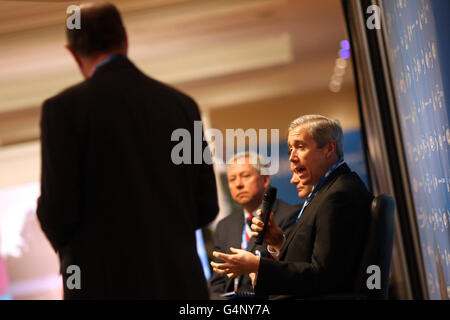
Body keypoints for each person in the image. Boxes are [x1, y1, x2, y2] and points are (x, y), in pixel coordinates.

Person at [37, 3, 218, 299]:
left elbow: (58, 211)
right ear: (125, 38)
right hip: (180, 284)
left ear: (72, 53)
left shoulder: (63, 111)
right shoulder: (181, 106)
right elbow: (206, 205)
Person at [211, 115, 372, 298]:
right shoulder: (326, 193)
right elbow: (308, 262)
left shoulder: (338, 196)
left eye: (300, 147)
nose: (292, 157)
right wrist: (279, 242)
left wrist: (258, 266)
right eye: (290, 149)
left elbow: (324, 277)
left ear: (329, 148)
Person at [209, 152, 300, 296]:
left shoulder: (289, 215)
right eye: (232, 179)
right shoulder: (224, 225)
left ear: (265, 180)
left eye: (245, 176)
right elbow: (218, 282)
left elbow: (291, 267)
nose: (238, 184)